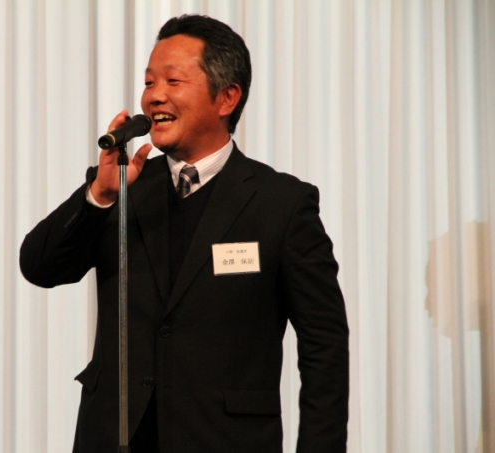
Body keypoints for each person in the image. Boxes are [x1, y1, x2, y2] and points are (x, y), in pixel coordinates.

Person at [20, 14, 349, 453]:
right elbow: (39, 267)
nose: (154, 95)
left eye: (173, 81)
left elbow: (324, 346)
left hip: (224, 440)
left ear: (227, 97)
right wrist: (99, 195)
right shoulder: (125, 186)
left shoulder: (281, 204)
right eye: (149, 82)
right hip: (114, 437)